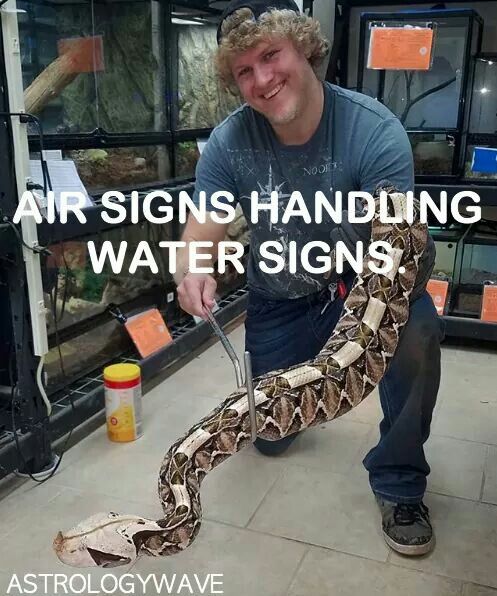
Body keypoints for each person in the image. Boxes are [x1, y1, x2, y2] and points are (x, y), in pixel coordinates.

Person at [174, 0, 444, 557]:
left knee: (414, 333)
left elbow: (392, 254)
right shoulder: (228, 142)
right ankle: (309, 388)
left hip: (363, 283)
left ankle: (399, 482)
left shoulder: (374, 132)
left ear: (305, 49)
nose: (262, 79)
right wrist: (194, 266)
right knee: (270, 437)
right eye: (244, 70)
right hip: (282, 296)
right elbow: (203, 225)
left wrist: (359, 340)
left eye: (271, 56)